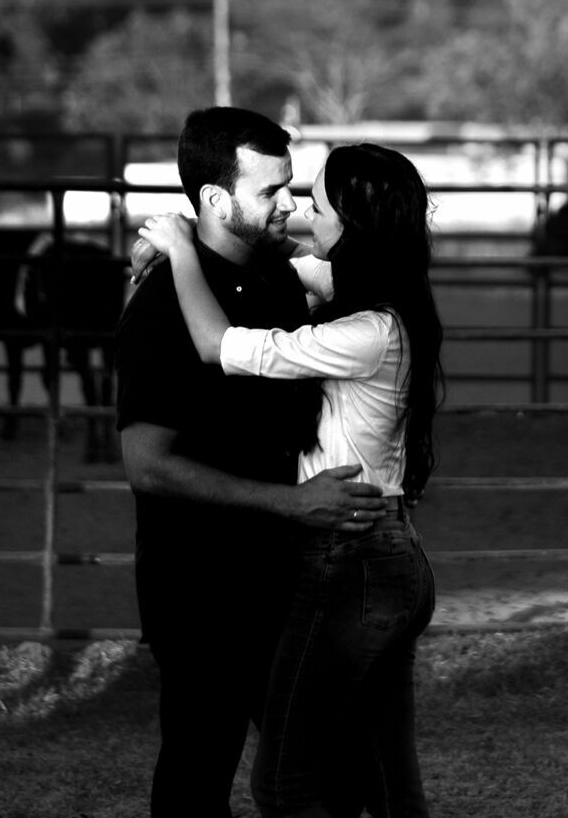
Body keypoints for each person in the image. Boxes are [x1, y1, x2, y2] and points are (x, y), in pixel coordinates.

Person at [140, 141, 443, 818]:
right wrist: (192, 249)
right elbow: (296, 266)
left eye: (317, 202)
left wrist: (181, 253)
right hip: (388, 553)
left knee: (284, 783)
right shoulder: (383, 301)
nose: (303, 212)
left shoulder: (366, 328)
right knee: (391, 779)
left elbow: (220, 346)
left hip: (351, 559)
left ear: (352, 224)